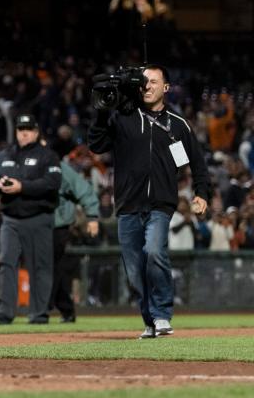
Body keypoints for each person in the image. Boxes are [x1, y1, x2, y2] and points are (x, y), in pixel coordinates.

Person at [88, 65, 210, 338]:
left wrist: (201, 193)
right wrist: (102, 113)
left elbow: (197, 165)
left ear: (166, 88)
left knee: (154, 252)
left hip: (161, 204)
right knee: (133, 271)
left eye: (154, 82)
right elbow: (96, 145)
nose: (147, 86)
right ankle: (150, 321)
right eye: (144, 82)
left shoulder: (178, 125)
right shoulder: (124, 118)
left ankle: (162, 314)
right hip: (128, 205)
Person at [0, 114, 61, 325]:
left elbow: (53, 182)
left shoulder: (48, 156)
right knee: (6, 263)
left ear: (36, 132)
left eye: (28, 129)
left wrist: (22, 187)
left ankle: (38, 314)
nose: (24, 133)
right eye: (20, 129)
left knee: (40, 267)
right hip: (11, 219)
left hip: (39, 217)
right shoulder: (5, 155)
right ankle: (4, 313)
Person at [50, 160, 99, 323]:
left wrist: (92, 215)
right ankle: (64, 307)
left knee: (52, 268)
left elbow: (83, 189)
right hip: (33, 223)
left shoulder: (57, 165)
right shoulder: (20, 159)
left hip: (57, 225)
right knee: (47, 269)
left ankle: (47, 307)